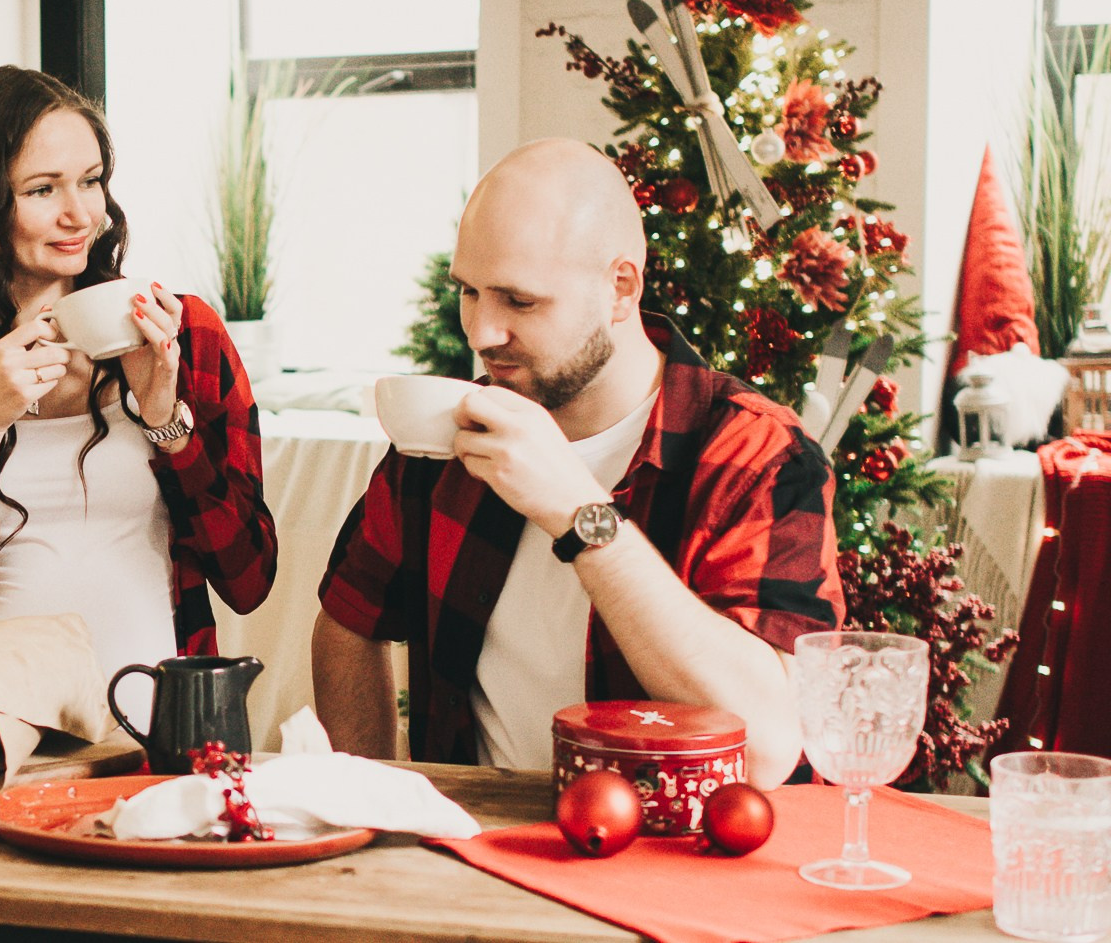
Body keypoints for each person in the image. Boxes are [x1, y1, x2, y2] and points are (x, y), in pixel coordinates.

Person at [312, 139, 842, 788]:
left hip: (675, 863)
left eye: (520, 301)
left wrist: (579, 512)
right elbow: (348, 617)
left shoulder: (754, 452)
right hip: (475, 857)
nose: (481, 331)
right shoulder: (446, 433)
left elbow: (767, 744)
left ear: (620, 288)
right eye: (470, 292)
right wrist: (375, 806)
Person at [0, 66, 276, 699]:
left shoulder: (183, 334)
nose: (81, 214)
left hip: (159, 724)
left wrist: (165, 418)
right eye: (41, 190)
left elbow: (249, 578)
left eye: (91, 181)